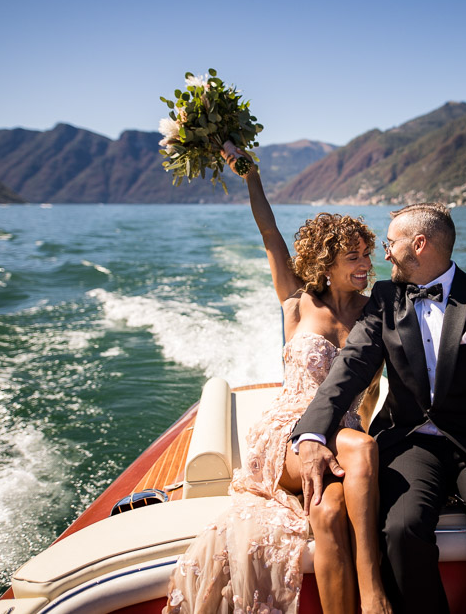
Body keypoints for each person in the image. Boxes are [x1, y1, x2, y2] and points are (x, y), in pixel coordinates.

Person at [292, 203, 466, 614]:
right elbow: (350, 368)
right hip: (411, 442)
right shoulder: (384, 298)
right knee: (399, 531)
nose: (384, 254)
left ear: (418, 244)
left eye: (390, 243)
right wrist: (313, 431)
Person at [164, 149, 392, 614]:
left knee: (330, 513)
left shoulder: (377, 313)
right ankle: (374, 595)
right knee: (361, 448)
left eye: (368, 254)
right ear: (326, 263)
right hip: (290, 433)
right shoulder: (296, 301)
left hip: (344, 433)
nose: (366, 264)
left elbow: (371, 393)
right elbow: (269, 231)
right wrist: (250, 175)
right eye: (353, 256)